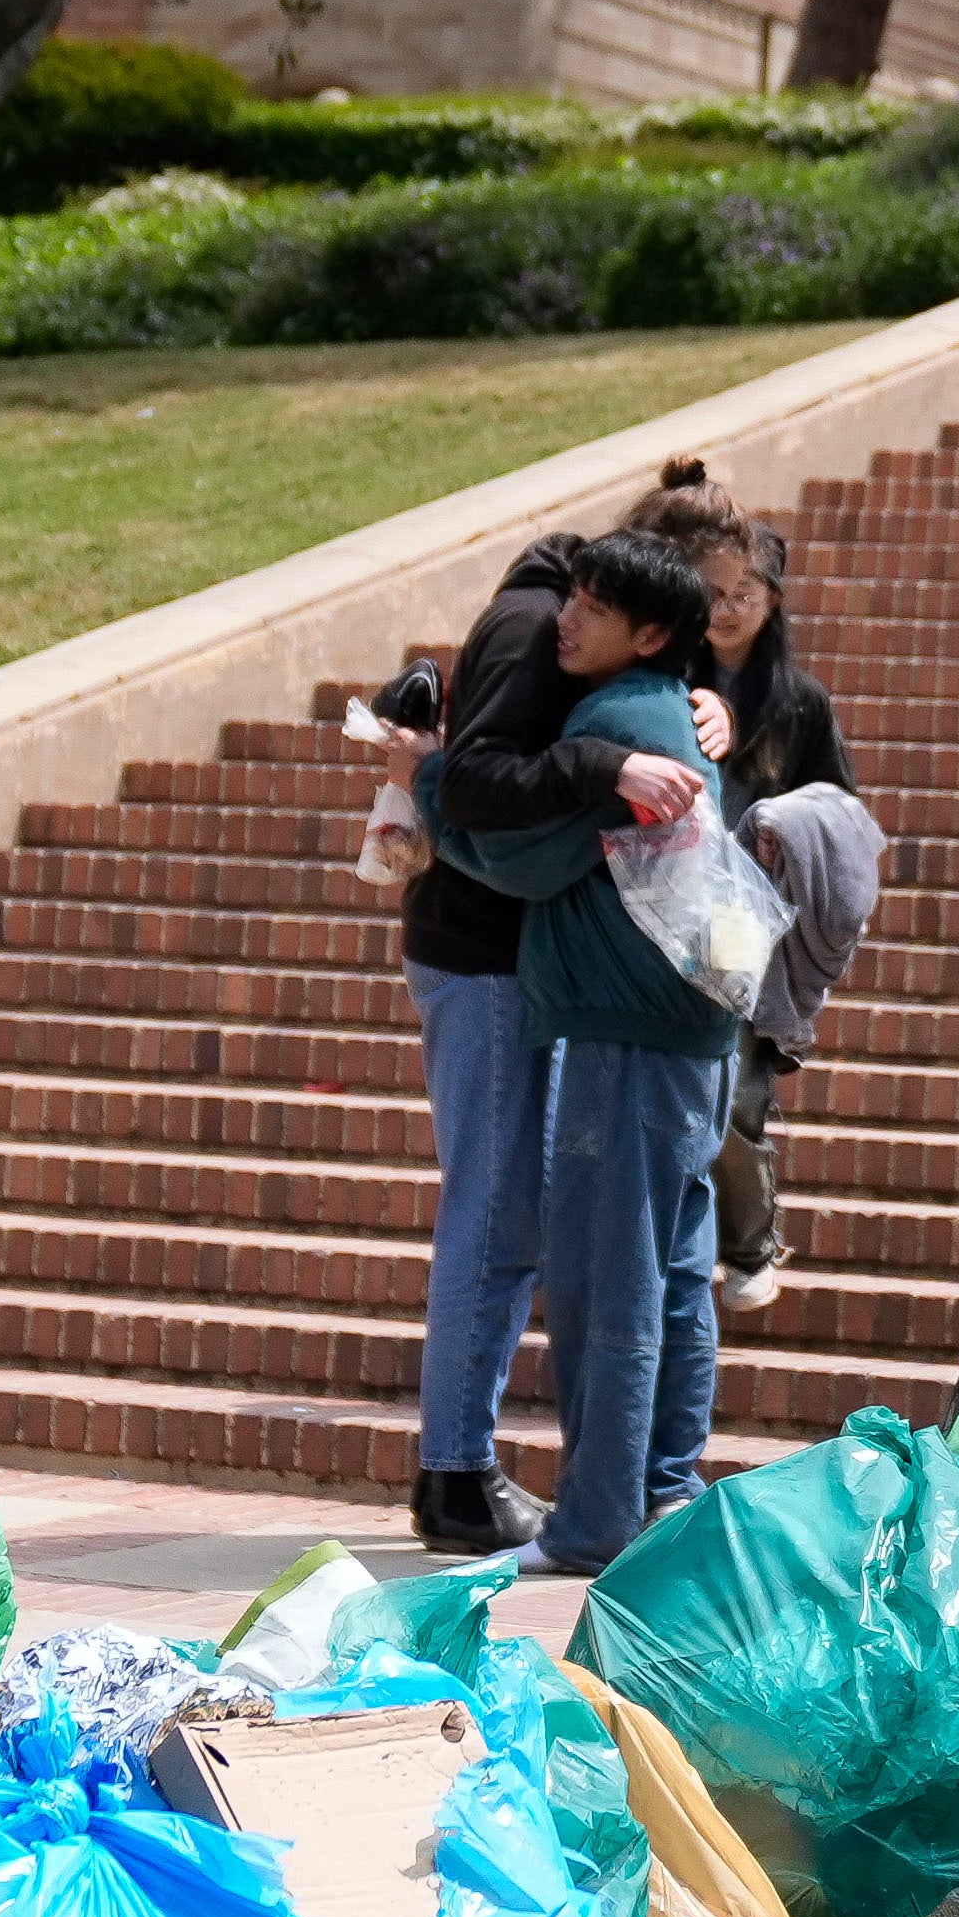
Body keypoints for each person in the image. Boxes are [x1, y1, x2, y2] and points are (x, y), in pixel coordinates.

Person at [417, 532, 740, 1573]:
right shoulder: (670, 709)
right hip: (689, 1033)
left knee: (611, 1283)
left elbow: (514, 858)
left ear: (647, 634)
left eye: (593, 609)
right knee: (679, 1276)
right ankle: (664, 1490)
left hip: (623, 1030)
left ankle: (597, 1519)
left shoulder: (618, 721)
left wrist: (426, 785)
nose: (568, 618)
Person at [371, 532, 648, 1558]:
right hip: (481, 958)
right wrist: (608, 761)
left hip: (482, 958)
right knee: (494, 1216)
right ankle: (454, 1474)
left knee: (500, 1214)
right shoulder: (539, 629)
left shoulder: (523, 614)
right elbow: (482, 780)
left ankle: (460, 1462)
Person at [627, 461, 885, 1302]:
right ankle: (679, 1235)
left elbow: (844, 810)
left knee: (735, 1088)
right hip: (668, 899)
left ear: (773, 601)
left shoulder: (797, 700)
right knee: (679, 1086)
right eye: (718, 591)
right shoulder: (664, 681)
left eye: (749, 591)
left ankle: (748, 1246)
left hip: (750, 914)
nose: (731, 607)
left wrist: (789, 826)